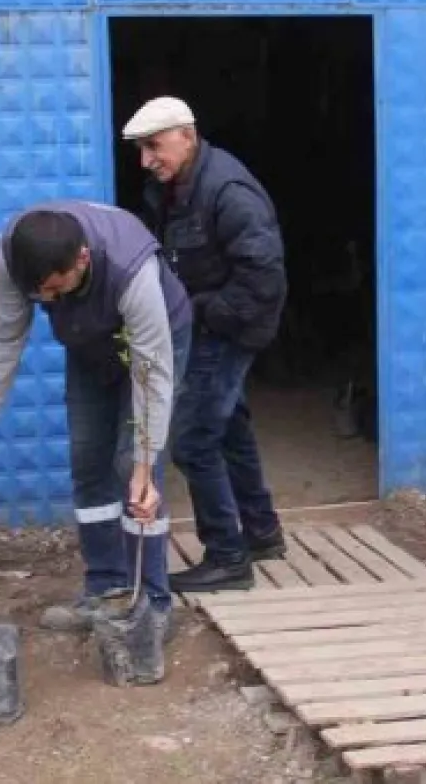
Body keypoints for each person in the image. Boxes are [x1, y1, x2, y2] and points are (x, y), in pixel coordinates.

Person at [0, 201, 191, 647]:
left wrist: (145, 465)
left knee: (130, 466)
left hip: (156, 343)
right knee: (88, 457)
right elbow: (5, 331)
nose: (50, 302)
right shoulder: (9, 257)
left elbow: (154, 373)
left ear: (82, 260)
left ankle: (153, 602)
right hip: (90, 344)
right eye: (41, 295)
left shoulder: (133, 273)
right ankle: (105, 589)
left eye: (57, 289)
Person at [127, 97, 288, 592]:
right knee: (229, 426)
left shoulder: (229, 192)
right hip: (209, 323)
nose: (146, 160)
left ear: (187, 135)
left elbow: (264, 280)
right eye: (140, 149)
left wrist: (198, 311)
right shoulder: (175, 186)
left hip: (228, 327)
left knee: (194, 442)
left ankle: (226, 557)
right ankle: (261, 532)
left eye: (154, 146)